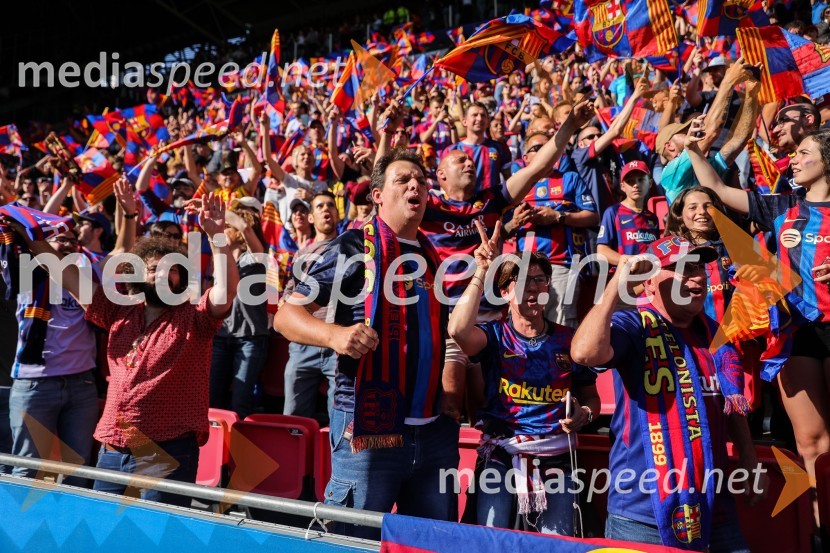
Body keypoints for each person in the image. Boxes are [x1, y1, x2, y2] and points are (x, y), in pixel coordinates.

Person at [273, 149, 457, 540]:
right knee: (351, 542)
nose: (416, 186)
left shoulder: (432, 256)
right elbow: (286, 316)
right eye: (403, 180)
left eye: (422, 182)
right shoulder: (351, 248)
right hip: (366, 429)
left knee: (431, 545)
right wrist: (335, 336)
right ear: (377, 195)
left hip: (433, 430)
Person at [21, 192, 238, 506]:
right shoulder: (118, 312)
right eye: (152, 268)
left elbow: (226, 291)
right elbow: (65, 275)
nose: (162, 273)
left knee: (157, 538)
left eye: (172, 269)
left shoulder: (196, 318)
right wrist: (30, 236)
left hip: (167, 453)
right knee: (101, 533)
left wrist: (217, 235)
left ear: (182, 277)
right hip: (112, 448)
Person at [571, 236, 760, 551]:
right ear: (649, 285)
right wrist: (617, 286)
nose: (696, 277)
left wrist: (751, 461)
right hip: (643, 514)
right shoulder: (633, 325)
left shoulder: (716, 336)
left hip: (714, 504)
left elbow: (731, 407)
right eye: (682, 269)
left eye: (699, 268)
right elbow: (584, 352)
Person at [690, 122, 830, 529]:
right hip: (796, 334)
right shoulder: (781, 206)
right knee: (810, 442)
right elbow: (716, 186)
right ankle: (821, 533)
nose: (795, 160)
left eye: (805, 153)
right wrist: (698, 153)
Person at [448, 226, 599, 535]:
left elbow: (591, 397)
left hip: (557, 458)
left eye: (540, 279)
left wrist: (584, 415)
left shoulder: (569, 340)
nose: (533, 287)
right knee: (491, 540)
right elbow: (458, 330)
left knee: (556, 545)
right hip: (502, 456)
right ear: (505, 292)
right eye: (523, 280)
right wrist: (482, 271)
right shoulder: (493, 336)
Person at [3, 179, 136, 485]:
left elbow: (123, 250)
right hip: (34, 384)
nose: (64, 243)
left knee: (79, 471)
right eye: (56, 238)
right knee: (26, 471)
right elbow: (28, 226)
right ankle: (21, 533)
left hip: (81, 385)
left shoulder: (91, 270)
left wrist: (128, 216)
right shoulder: (26, 269)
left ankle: (71, 531)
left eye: (70, 238)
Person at [504, 131, 599, 328]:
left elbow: (593, 216)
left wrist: (558, 217)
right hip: (524, 266)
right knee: (523, 322)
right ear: (525, 157)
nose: (544, 151)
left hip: (563, 265)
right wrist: (515, 222)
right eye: (537, 148)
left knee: (562, 323)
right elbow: (501, 229)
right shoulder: (516, 184)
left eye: (548, 147)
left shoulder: (570, 178)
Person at [282, 191, 341, 421]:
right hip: (303, 342)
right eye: (320, 207)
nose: (326, 210)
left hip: (337, 340)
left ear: (337, 213)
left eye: (330, 205)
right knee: (292, 418)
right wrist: (284, 300)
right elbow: (290, 288)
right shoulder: (301, 254)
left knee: (340, 417)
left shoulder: (352, 247)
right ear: (311, 218)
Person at [209, 206, 268, 420]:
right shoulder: (219, 259)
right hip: (221, 337)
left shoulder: (255, 258)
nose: (222, 229)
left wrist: (220, 211)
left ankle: (239, 452)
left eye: (227, 226)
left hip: (250, 339)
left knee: (240, 402)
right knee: (213, 399)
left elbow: (246, 227)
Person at [597, 160, 660, 267]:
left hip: (650, 276)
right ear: (622, 186)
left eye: (640, 180)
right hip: (623, 277)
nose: (636, 185)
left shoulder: (653, 218)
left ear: (650, 183)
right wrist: (628, 262)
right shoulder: (613, 212)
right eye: (630, 181)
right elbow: (602, 251)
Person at [443, 102, 512, 193]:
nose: (479, 118)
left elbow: (509, 180)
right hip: (463, 205)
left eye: (483, 116)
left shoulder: (500, 148)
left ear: (487, 122)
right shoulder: (452, 150)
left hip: (492, 205)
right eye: (474, 115)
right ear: (464, 121)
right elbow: (445, 183)